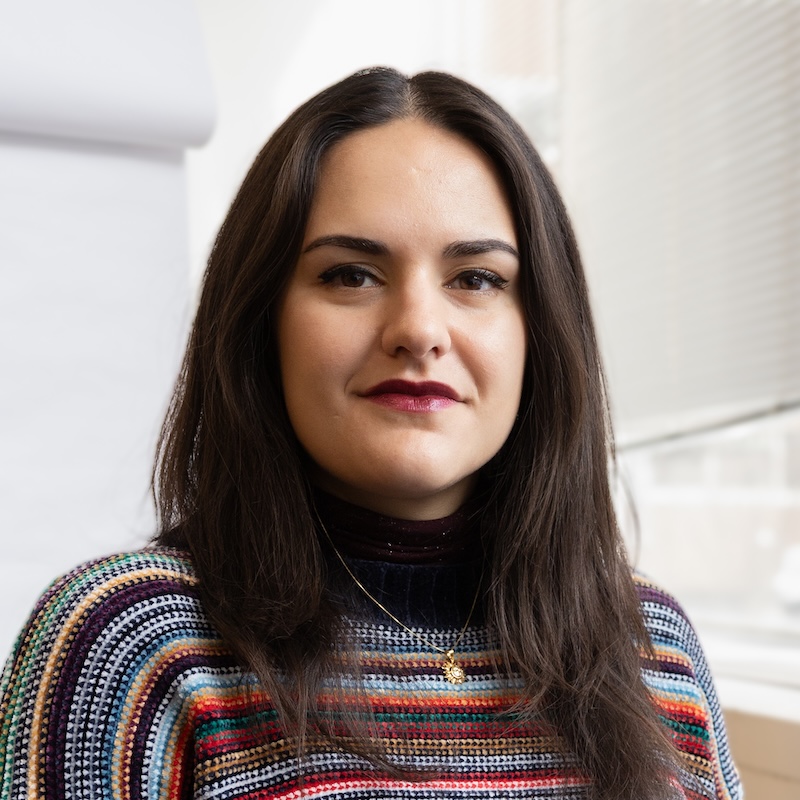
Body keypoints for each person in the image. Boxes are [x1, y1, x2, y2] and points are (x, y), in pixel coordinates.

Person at [0, 67, 741, 800]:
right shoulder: (127, 647)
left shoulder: (653, 646)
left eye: (477, 278)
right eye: (351, 274)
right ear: (262, 323)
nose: (419, 329)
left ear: (541, 332)